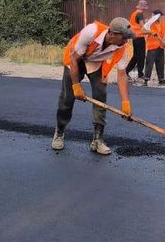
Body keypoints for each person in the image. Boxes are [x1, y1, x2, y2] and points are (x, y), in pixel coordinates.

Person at [52, 17, 134, 156]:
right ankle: (59, 132)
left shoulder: (121, 47)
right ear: (111, 34)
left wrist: (125, 102)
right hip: (75, 60)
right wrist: (76, 85)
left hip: (95, 63)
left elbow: (122, 75)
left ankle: (98, 140)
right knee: (68, 98)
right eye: (123, 38)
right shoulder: (91, 31)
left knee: (101, 96)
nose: (125, 41)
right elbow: (74, 59)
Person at [142, 9, 165, 86]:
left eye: (160, 16)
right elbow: (143, 31)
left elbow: (162, 36)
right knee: (149, 64)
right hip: (152, 48)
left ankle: (161, 80)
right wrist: (151, 32)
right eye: (159, 16)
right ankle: (146, 80)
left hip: (160, 47)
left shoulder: (161, 25)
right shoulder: (149, 23)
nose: (159, 17)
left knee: (160, 64)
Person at [125, 0, 149, 84]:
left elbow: (137, 24)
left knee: (135, 56)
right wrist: (150, 31)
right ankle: (140, 74)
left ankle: (126, 71)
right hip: (139, 37)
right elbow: (142, 27)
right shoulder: (140, 14)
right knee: (141, 56)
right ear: (144, 8)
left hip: (135, 37)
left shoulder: (134, 13)